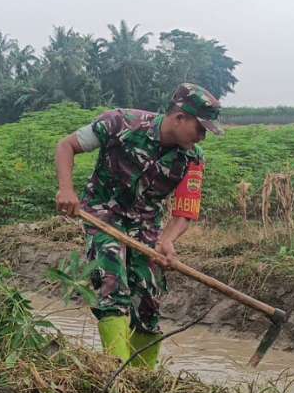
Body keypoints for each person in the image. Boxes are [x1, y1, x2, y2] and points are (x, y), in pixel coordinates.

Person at [54, 83, 223, 369]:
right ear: (179, 117)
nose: (202, 137)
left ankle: (143, 379)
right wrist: (66, 189)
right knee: (112, 283)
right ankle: (116, 374)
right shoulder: (121, 123)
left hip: (146, 226)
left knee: (148, 301)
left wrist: (167, 240)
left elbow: (185, 211)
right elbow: (66, 146)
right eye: (200, 128)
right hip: (103, 214)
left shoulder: (192, 159)